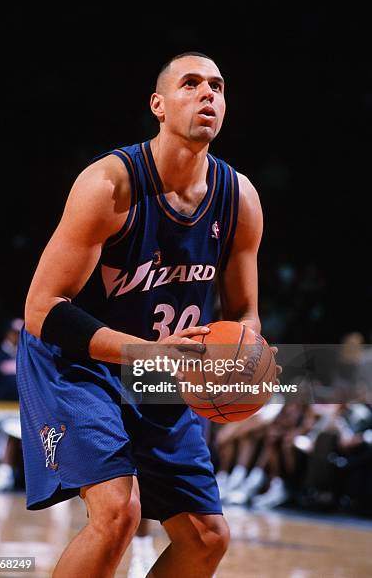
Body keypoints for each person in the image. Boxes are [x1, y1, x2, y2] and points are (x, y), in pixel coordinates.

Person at [18, 51, 277, 578]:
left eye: (218, 86)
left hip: (164, 374)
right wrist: (151, 354)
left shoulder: (239, 199)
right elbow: (42, 311)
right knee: (118, 513)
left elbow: (245, 311)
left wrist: (242, 355)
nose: (208, 94)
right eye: (191, 84)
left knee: (206, 538)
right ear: (158, 105)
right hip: (80, 363)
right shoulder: (109, 184)